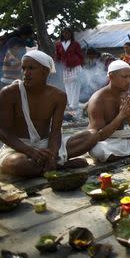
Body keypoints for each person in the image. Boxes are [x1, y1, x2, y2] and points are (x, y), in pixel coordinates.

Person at [0, 50, 92, 178]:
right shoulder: (9, 93)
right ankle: (61, 165)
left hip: (46, 146)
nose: (26, 73)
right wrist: (30, 151)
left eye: (31, 68)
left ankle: (50, 163)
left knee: (91, 136)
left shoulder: (58, 96)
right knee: (18, 165)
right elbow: (4, 132)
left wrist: (52, 154)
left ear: (45, 72)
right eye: (23, 68)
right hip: (18, 148)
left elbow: (55, 132)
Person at [85, 60, 130, 162]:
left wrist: (128, 115)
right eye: (124, 77)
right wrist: (120, 116)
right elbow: (99, 136)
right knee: (97, 150)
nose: (128, 81)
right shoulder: (98, 99)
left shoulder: (128, 96)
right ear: (111, 77)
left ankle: (120, 153)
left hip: (121, 137)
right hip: (102, 139)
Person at [55, 27, 84, 111]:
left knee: (75, 85)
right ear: (62, 34)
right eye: (64, 33)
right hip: (65, 68)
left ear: (71, 34)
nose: (66, 34)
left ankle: (74, 105)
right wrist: (56, 66)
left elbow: (80, 55)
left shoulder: (75, 44)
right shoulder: (58, 44)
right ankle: (71, 103)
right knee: (67, 86)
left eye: (68, 33)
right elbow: (57, 57)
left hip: (75, 66)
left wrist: (80, 64)